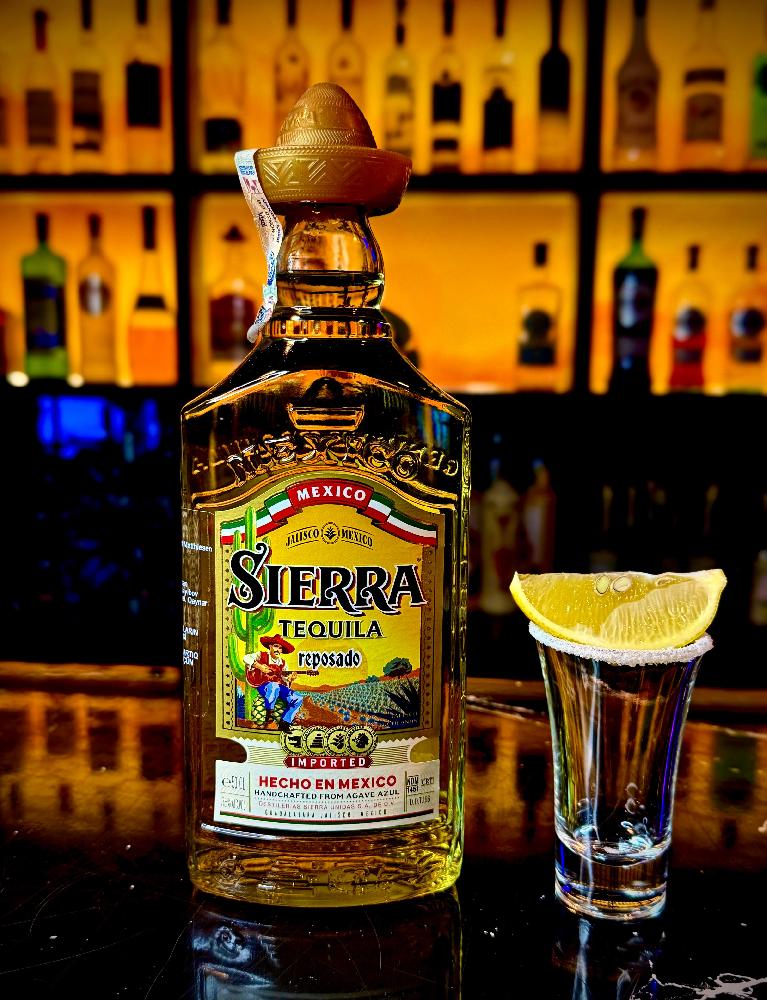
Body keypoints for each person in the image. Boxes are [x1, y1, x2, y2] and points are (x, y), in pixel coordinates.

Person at [243, 634, 305, 732]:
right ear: (270, 646)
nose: (278, 650)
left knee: (298, 697)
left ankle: (285, 722)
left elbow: (284, 679)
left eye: (280, 648)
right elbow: (246, 658)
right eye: (276, 646)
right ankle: (269, 714)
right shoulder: (261, 655)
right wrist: (260, 666)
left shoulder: (283, 663)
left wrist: (290, 679)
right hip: (263, 685)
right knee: (273, 686)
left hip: (278, 688)